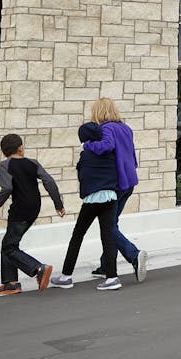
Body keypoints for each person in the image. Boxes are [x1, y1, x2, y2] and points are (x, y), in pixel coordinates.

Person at [0, 133, 65, 295]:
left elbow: (7, 188)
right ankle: (10, 283)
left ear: (4, 151)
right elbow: (48, 181)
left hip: (20, 209)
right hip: (34, 207)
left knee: (9, 247)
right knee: (9, 242)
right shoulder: (32, 163)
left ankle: (38, 268)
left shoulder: (4, 165)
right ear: (20, 148)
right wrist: (58, 204)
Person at [81, 97, 147, 283]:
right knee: (111, 224)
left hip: (115, 183)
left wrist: (86, 145)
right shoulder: (125, 128)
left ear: (98, 112)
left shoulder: (107, 128)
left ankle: (134, 254)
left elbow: (106, 146)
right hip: (129, 181)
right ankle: (106, 265)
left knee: (108, 226)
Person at [51, 121, 121, 291]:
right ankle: (112, 277)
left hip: (92, 199)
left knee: (77, 236)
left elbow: (83, 176)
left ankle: (66, 276)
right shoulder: (110, 152)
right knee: (108, 236)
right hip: (111, 196)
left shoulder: (87, 155)